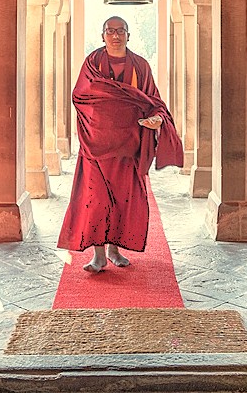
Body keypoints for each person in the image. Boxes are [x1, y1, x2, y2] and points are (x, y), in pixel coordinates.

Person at [57, 16, 184, 272]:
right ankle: (98, 255)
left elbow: (153, 99)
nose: (115, 35)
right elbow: (80, 95)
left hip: (129, 146)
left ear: (128, 35)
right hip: (97, 145)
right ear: (102, 35)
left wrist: (157, 119)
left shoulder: (140, 66)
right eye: (110, 31)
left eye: (121, 31)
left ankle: (115, 250)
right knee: (96, 200)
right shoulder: (93, 62)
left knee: (122, 200)